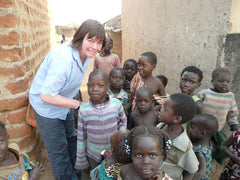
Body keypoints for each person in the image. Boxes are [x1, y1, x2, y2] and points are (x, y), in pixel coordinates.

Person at [29, 19, 105, 180]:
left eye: (99, 42)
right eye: (90, 40)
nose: (94, 46)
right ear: (80, 38)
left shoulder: (87, 54)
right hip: (47, 108)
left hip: (64, 102)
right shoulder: (63, 59)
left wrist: (75, 103)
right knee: (59, 150)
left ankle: (76, 174)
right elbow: (47, 96)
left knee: (71, 138)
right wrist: (78, 104)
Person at [75, 69, 127, 180]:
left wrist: (119, 142)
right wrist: (82, 160)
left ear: (108, 87)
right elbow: (81, 137)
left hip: (113, 154)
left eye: (100, 85)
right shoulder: (84, 110)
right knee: (95, 176)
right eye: (91, 85)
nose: (95, 89)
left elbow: (123, 121)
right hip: (93, 155)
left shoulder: (116, 104)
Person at [198, 67, 239, 164]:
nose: (225, 84)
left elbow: (232, 112)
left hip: (218, 129)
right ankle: (203, 160)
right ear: (213, 81)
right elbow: (196, 106)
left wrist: (233, 124)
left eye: (227, 81)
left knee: (223, 146)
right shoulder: (205, 93)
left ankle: (217, 159)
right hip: (204, 128)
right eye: (221, 81)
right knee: (202, 146)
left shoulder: (230, 96)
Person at [157, 93, 199, 180]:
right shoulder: (161, 126)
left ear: (176, 119)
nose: (160, 110)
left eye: (164, 109)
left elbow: (192, 170)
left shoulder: (184, 146)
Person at [188, 113, 219, 179]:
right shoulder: (207, 143)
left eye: (191, 127)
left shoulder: (199, 152)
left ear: (202, 133)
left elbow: (201, 172)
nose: (188, 128)